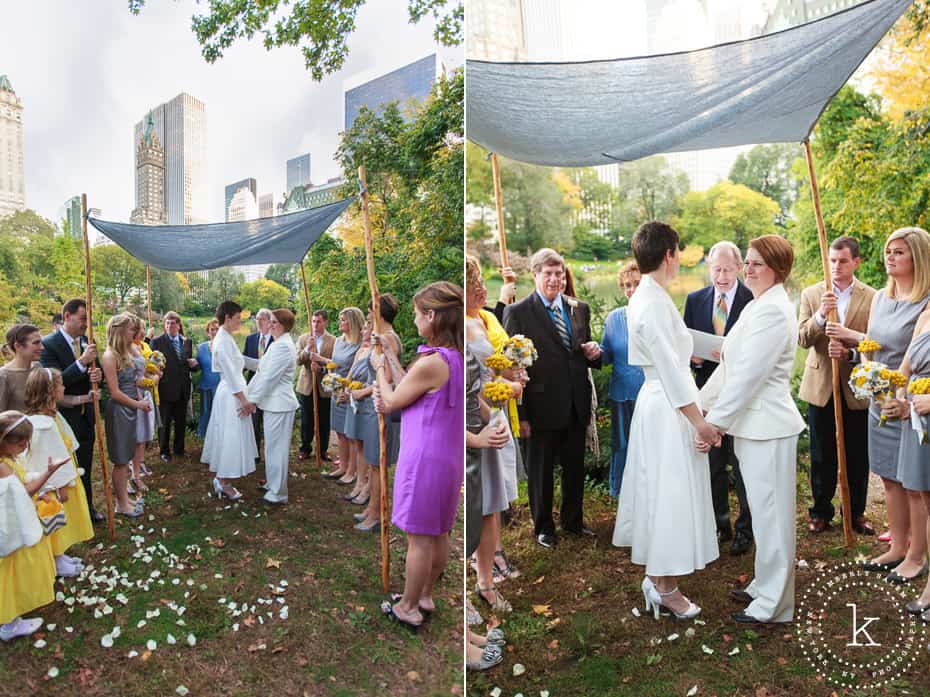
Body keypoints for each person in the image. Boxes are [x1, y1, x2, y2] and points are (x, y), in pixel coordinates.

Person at [612, 221, 719, 621]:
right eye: (678, 252)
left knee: (666, 491)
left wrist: (723, 349)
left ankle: (659, 580)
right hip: (668, 406)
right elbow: (673, 372)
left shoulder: (652, 295)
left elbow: (679, 339)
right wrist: (699, 423)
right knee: (669, 494)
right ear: (670, 255)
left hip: (663, 401)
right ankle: (665, 588)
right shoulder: (652, 301)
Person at [700, 235, 806, 624]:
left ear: (778, 269)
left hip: (770, 425)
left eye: (756, 264)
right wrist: (700, 407)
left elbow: (748, 377)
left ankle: (774, 606)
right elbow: (729, 364)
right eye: (747, 262)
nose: (747, 269)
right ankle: (763, 585)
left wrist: (713, 424)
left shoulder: (775, 311)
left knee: (773, 517)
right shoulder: (758, 305)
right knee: (762, 513)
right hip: (753, 424)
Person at [828, 227, 930, 583]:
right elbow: (872, 345)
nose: (889, 256)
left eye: (899, 252)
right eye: (888, 250)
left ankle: (918, 556)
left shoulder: (926, 302)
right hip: (879, 397)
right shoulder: (880, 299)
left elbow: (917, 357)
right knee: (888, 477)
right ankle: (897, 546)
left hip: (911, 403)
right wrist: (857, 359)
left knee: (915, 484)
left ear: (918, 257)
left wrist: (902, 397)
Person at [373, 281, 464, 632]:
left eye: (416, 313)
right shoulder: (452, 356)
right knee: (439, 530)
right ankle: (425, 594)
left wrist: (379, 370)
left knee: (419, 537)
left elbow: (393, 400)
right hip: (447, 455)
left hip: (424, 455)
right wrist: (392, 359)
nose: (412, 319)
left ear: (432, 315)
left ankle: (408, 606)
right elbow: (412, 383)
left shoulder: (433, 362)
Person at [503, 248, 601, 549]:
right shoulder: (518, 312)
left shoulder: (578, 308)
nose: (555, 279)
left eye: (559, 273)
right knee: (541, 472)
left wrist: (594, 353)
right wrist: (523, 416)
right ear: (535, 275)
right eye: (548, 274)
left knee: (574, 466)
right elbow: (511, 368)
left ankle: (573, 521)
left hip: (575, 402)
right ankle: (543, 527)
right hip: (540, 405)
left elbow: (583, 352)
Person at [797, 236, 875, 535]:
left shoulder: (872, 296)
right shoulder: (812, 293)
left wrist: (851, 353)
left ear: (856, 262)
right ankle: (820, 511)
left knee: (857, 453)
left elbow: (876, 343)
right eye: (832, 260)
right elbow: (802, 339)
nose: (836, 266)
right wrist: (819, 315)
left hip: (856, 385)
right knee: (822, 453)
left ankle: (855, 513)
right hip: (821, 384)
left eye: (843, 261)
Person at [683, 241, 755, 556]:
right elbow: (684, 344)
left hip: (741, 395)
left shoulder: (752, 299)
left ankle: (745, 530)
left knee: (741, 466)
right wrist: (693, 359)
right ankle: (718, 523)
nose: (722, 275)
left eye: (727, 269)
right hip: (706, 393)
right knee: (712, 464)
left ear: (739, 267)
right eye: (716, 269)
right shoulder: (695, 299)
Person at [465, 254, 524, 611]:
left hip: (494, 413)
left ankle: (485, 579)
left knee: (492, 504)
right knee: (478, 504)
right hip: (477, 419)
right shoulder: (462, 324)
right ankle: (478, 579)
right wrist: (489, 415)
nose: (482, 289)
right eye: (475, 284)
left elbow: (493, 367)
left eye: (482, 283)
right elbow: (468, 385)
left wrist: (513, 380)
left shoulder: (483, 317)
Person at [0, 411, 67, 642]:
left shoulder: (7, 460)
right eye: (21, 444)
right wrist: (49, 473)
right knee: (8, 573)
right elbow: (23, 491)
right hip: (10, 530)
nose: (26, 446)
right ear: (5, 442)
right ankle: (8, 623)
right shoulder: (3, 467)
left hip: (13, 521)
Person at [23, 367, 94, 577]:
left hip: (62, 480)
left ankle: (61, 555)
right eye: (61, 384)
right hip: (55, 486)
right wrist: (61, 485)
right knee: (55, 520)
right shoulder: (43, 426)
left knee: (63, 520)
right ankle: (57, 558)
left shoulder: (52, 417)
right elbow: (47, 458)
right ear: (51, 391)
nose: (64, 387)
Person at [465, 345, 510, 671]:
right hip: (459, 447)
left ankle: (483, 586)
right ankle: (462, 629)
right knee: (462, 526)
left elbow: (471, 397)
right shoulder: (439, 358)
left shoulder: (462, 353)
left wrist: (494, 418)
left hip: (477, 436)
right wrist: (474, 439)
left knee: (485, 512)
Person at [40, 299, 104, 523]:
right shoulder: (49, 345)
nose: (86, 324)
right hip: (64, 416)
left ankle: (88, 509)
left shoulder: (88, 341)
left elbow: (99, 374)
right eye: (82, 318)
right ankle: (68, 516)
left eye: (87, 319)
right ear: (67, 316)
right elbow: (53, 383)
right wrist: (81, 363)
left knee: (86, 465)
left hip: (87, 415)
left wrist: (98, 376)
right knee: (67, 469)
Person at [353, 296, 403, 532]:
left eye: (371, 312)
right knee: (374, 462)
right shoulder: (381, 338)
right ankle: (371, 508)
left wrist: (376, 363)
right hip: (375, 405)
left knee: (377, 464)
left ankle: (376, 514)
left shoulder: (389, 339)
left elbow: (389, 378)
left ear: (379, 313)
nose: (369, 316)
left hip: (382, 406)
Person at [201, 301, 258, 501]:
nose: (239, 322)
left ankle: (223, 479)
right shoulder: (222, 341)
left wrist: (262, 364)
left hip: (234, 391)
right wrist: (244, 400)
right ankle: (223, 482)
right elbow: (231, 374)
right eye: (237, 318)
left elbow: (239, 360)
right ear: (227, 317)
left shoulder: (227, 338)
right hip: (232, 394)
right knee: (229, 438)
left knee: (232, 436)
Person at [599, 261, 645, 499]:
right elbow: (605, 353)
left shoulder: (656, 314)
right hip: (621, 393)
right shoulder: (614, 318)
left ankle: (648, 492)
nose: (632, 289)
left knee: (648, 446)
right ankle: (622, 493)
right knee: (623, 444)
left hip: (650, 393)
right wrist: (593, 351)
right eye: (627, 285)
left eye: (637, 283)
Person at [243, 309, 299, 505]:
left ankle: (278, 493)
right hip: (274, 403)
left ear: (283, 325)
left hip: (280, 403)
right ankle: (272, 484)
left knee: (277, 449)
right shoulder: (278, 344)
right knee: (271, 448)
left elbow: (269, 379)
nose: (270, 324)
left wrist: (252, 401)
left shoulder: (283, 346)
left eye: (274, 322)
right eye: (271, 322)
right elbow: (261, 369)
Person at [101, 313, 150, 517]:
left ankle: (124, 497)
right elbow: (115, 392)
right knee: (120, 460)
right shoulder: (109, 356)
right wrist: (138, 404)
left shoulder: (126, 353)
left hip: (131, 407)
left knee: (127, 454)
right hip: (120, 410)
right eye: (131, 329)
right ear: (120, 331)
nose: (135, 332)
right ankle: (121, 503)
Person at [899, 310, 930, 619]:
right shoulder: (927, 314)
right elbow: (906, 366)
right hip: (919, 419)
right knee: (926, 499)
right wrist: (897, 394)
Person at [320, 308, 364, 483]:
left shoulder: (360, 344)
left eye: (343, 320)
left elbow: (358, 370)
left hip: (349, 393)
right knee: (339, 432)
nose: (339, 322)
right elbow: (334, 364)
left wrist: (347, 389)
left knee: (350, 434)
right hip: (336, 391)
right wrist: (326, 369)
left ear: (352, 322)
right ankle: (343, 466)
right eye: (340, 319)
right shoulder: (338, 341)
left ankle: (352, 471)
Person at [150, 312, 196, 462]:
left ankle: (179, 449)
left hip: (183, 388)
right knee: (165, 421)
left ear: (179, 325)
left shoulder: (186, 342)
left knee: (181, 421)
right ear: (164, 325)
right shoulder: (157, 342)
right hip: (166, 388)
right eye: (167, 323)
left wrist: (194, 365)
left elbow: (188, 364)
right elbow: (151, 365)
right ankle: (164, 451)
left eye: (173, 323)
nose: (170, 326)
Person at [295, 310, 335, 461]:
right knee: (307, 419)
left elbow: (335, 363)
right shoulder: (304, 338)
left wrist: (322, 368)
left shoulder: (333, 340)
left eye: (318, 321)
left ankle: (323, 450)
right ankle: (305, 448)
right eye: (313, 321)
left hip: (324, 385)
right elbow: (298, 361)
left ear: (325, 322)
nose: (315, 325)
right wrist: (307, 348)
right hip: (307, 384)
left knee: (324, 419)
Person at [129, 316, 158, 492]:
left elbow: (145, 366)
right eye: (138, 329)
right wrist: (153, 379)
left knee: (142, 436)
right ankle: (132, 471)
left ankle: (139, 466)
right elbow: (136, 378)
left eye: (142, 329)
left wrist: (155, 368)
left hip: (145, 395)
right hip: (134, 395)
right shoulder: (125, 350)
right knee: (134, 437)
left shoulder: (142, 347)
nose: (140, 332)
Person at [243, 308, 274, 459]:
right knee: (253, 421)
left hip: (270, 388)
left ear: (270, 322)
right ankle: (254, 454)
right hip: (253, 386)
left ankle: (270, 453)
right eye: (257, 319)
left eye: (262, 319)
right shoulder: (251, 339)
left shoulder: (276, 340)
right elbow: (244, 361)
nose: (259, 322)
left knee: (268, 422)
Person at [0, 324, 44, 413]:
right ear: (18, 346)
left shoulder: (38, 367)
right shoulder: (4, 376)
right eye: (36, 343)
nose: (42, 347)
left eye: (41, 342)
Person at [196, 319, 221, 439]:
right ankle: (204, 438)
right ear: (208, 332)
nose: (215, 331)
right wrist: (193, 363)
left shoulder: (226, 346)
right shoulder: (201, 348)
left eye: (217, 329)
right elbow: (198, 366)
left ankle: (218, 438)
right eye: (212, 329)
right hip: (206, 385)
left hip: (221, 386)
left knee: (219, 414)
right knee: (205, 412)